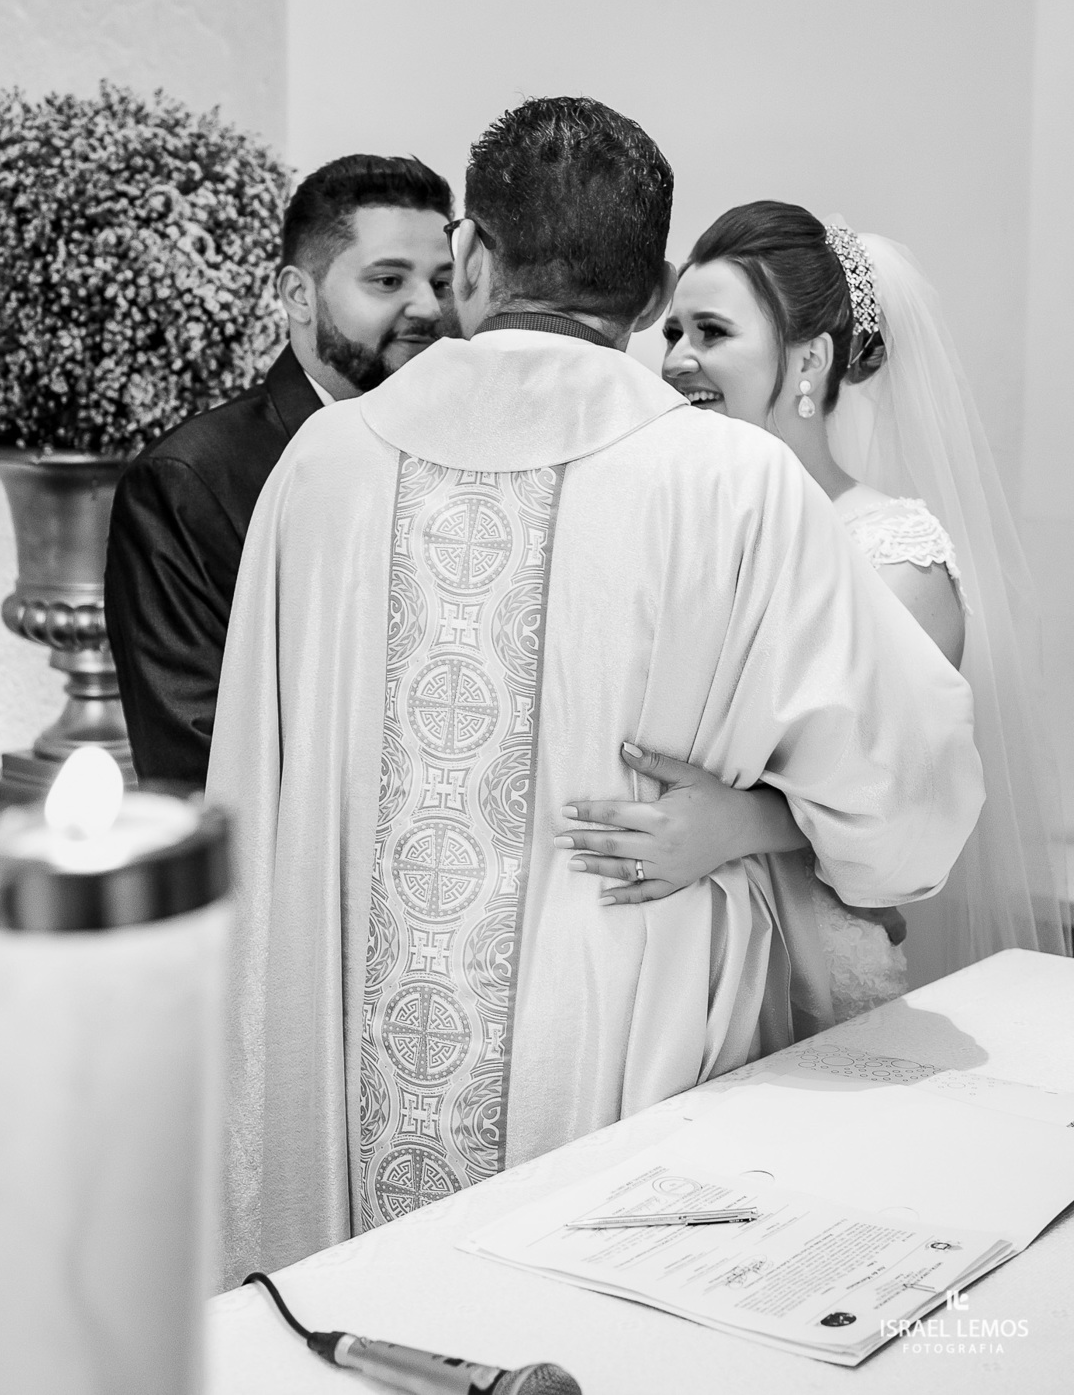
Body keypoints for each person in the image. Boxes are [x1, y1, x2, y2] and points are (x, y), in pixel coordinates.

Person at [206, 99, 982, 1281]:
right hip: (621, 1033)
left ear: (473, 255)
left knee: (368, 1303)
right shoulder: (733, 482)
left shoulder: (324, 464)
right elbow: (912, 788)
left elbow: (253, 785)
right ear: (653, 285)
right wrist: (765, 815)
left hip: (350, 1038)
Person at [564, 201, 1066, 1011]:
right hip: (652, 963)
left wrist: (738, 823)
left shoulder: (896, 557)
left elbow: (905, 790)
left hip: (805, 965)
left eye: (713, 333)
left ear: (811, 360)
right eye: (673, 331)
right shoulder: (673, 528)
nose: (678, 359)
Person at [104, 154, 457, 787]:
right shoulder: (188, 481)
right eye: (387, 280)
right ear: (299, 295)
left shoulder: (473, 453)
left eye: (443, 282)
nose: (429, 308)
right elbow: (192, 758)